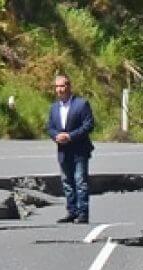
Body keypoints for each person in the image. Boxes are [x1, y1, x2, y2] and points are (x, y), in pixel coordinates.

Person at [46, 74, 95, 224]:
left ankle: (83, 213)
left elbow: (89, 125)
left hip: (79, 150)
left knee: (80, 181)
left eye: (62, 86)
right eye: (57, 87)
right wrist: (56, 136)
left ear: (69, 86)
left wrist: (70, 136)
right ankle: (72, 211)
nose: (59, 90)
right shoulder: (54, 108)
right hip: (63, 150)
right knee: (67, 182)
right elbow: (50, 127)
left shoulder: (81, 104)